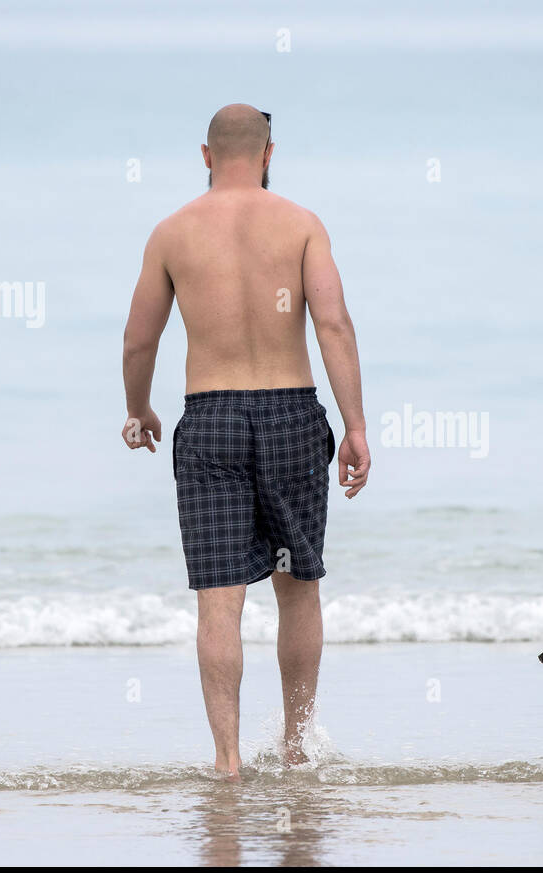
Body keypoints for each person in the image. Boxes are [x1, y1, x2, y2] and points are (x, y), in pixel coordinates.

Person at [120, 103, 369, 780]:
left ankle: (228, 761)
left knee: (219, 597)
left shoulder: (173, 232)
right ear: (268, 153)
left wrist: (139, 408)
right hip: (292, 414)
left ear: (206, 155)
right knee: (298, 587)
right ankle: (294, 748)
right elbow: (334, 324)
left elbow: (140, 337)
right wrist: (355, 425)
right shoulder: (301, 224)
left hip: (211, 418)